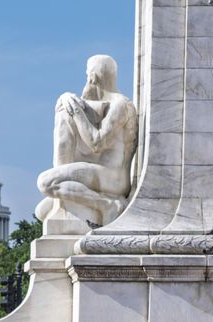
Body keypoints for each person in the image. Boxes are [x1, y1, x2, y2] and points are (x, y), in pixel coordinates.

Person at [36, 54, 138, 227]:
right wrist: (65, 98)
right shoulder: (111, 102)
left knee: (45, 182)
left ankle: (107, 205)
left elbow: (97, 143)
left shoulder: (121, 103)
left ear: (92, 76)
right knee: (41, 211)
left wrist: (75, 110)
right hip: (100, 174)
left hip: (113, 177)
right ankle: (99, 202)